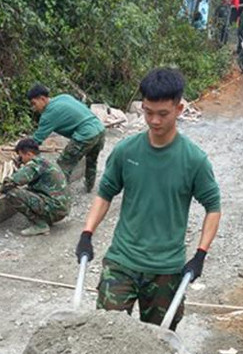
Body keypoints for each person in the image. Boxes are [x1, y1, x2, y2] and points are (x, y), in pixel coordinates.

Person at [74, 68, 221, 331]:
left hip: (166, 269)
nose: (154, 120)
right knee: (106, 334)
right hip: (122, 261)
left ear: (179, 108)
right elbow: (105, 194)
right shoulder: (125, 151)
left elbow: (213, 207)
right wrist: (87, 233)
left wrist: (200, 255)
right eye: (148, 111)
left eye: (162, 113)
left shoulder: (194, 160)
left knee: (158, 340)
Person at [0, 138, 70, 236]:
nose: (21, 159)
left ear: (29, 154)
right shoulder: (45, 161)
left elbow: (11, 182)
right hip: (61, 208)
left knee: (12, 193)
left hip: (55, 209)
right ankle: (46, 218)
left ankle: (40, 225)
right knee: (26, 190)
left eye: (21, 156)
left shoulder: (35, 164)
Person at [28, 84, 105, 193]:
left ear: (42, 99)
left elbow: (36, 141)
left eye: (34, 104)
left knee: (63, 166)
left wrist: (22, 150)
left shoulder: (49, 114)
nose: (34, 108)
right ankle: (89, 188)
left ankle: (60, 197)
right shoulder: (63, 97)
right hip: (100, 129)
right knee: (91, 160)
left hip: (85, 134)